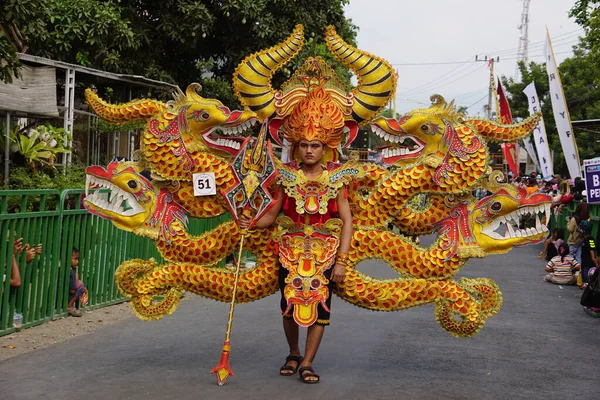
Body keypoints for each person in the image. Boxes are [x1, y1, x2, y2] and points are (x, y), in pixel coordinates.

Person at [239, 137, 353, 384]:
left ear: (325, 149)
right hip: (290, 253)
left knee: (320, 305)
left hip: (325, 254)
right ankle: (294, 353)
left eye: (315, 145)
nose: (309, 151)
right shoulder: (286, 175)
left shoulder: (338, 177)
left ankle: (308, 362)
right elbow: (272, 213)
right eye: (304, 145)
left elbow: (347, 221)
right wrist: (253, 223)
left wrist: (342, 261)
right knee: (289, 304)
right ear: (296, 148)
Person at [67, 248, 88, 317]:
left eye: (77, 259)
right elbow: (72, 291)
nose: (77, 261)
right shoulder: (71, 272)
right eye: (75, 259)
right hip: (68, 296)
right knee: (81, 284)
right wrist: (80, 289)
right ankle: (69, 306)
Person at [579, 220, 598, 288]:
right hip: (584, 260)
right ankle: (585, 283)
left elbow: (592, 249)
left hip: (588, 261)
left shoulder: (590, 239)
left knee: (587, 273)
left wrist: (593, 258)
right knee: (584, 273)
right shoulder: (585, 239)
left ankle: (587, 284)